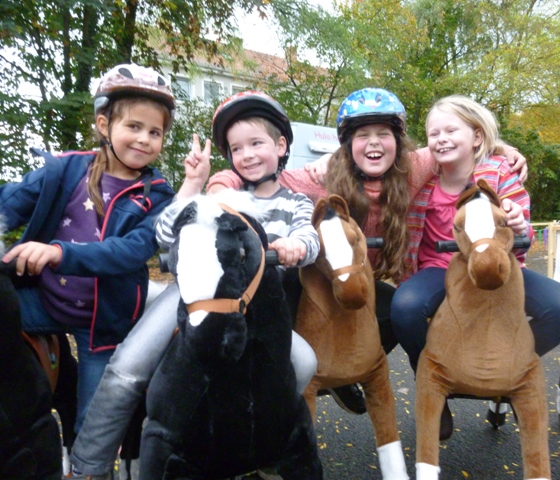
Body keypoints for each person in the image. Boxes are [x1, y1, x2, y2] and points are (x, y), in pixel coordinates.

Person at [207, 87, 527, 414]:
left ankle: (348, 376)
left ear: (397, 142)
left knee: (395, 313)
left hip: (360, 280)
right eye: (362, 135)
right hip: (318, 281)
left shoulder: (413, 167)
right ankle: (279, 403)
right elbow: (261, 169)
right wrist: (221, 187)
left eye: (383, 134)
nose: (373, 142)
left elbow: (458, 145)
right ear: (348, 146)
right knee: (285, 318)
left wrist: (504, 148)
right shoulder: (323, 176)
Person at [70, 90, 320, 480]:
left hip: (258, 314)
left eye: (256, 144)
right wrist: (193, 185)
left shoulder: (296, 202)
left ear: (281, 145)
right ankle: (89, 465)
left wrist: (296, 245)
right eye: (237, 149)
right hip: (199, 297)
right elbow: (167, 232)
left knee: (304, 361)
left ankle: (259, 441)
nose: (248, 154)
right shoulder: (221, 199)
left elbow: (311, 239)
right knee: (130, 365)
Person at [0, 63, 176, 479]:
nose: (144, 139)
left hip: (103, 325)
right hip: (44, 301)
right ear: (103, 124)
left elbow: (131, 252)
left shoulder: (158, 195)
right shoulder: (63, 170)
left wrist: (59, 253)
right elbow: (10, 204)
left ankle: (87, 471)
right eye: (134, 126)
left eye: (155, 132)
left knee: (94, 427)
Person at [390, 94, 560, 440]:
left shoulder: (499, 173)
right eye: (433, 133)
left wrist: (515, 222)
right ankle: (434, 383)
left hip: (497, 268)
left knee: (557, 306)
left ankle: (513, 369)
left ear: (477, 137)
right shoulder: (422, 177)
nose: (441, 138)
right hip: (441, 267)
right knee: (405, 308)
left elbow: (522, 226)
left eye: (451, 130)